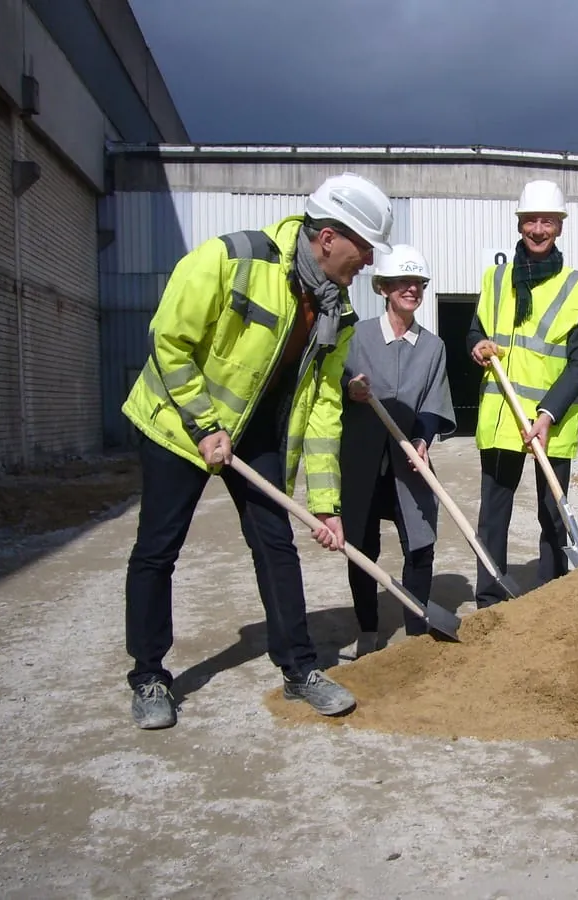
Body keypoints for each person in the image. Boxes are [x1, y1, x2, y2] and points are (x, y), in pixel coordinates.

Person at [120, 172, 394, 729]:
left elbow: (322, 409)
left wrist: (327, 504)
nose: (367, 263)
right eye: (364, 249)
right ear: (329, 238)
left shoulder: (338, 313)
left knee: (276, 543)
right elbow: (168, 339)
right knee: (158, 546)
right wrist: (202, 425)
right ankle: (149, 675)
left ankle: (299, 669)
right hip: (176, 421)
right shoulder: (231, 258)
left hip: (255, 432)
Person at [467, 179, 578, 608]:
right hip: (504, 415)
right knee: (494, 515)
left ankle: (550, 598)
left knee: (553, 516)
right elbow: (476, 329)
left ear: (560, 226)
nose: (538, 229)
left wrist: (547, 414)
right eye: (531, 221)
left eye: (547, 221)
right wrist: (478, 345)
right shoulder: (495, 278)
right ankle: (490, 599)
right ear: (520, 223)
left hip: (551, 423)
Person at [338, 244, 456, 658]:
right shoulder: (356, 337)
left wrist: (423, 441)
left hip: (410, 460)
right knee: (361, 544)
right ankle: (368, 628)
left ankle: (415, 630)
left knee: (420, 543)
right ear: (384, 287)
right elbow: (328, 387)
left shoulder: (432, 347)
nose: (412, 289)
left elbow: (432, 403)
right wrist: (348, 390)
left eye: (418, 283)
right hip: (363, 459)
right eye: (403, 283)